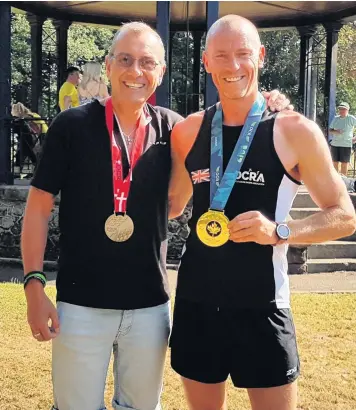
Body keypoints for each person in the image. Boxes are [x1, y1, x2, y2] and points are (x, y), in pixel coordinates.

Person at [22, 21, 292, 410]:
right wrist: (33, 284)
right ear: (109, 65)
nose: (136, 72)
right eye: (126, 60)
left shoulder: (176, 129)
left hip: (150, 307)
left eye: (147, 62)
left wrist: (263, 102)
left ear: (161, 72)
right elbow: (39, 206)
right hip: (80, 306)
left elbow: (189, 187)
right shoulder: (72, 126)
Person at [168, 15, 356, 410]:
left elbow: (344, 216)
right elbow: (173, 205)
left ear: (262, 56)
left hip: (263, 305)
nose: (232, 66)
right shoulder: (188, 131)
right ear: (206, 62)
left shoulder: (294, 130)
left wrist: (280, 231)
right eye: (221, 55)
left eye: (243, 54)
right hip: (196, 303)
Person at [11, 102, 48, 175]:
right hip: (34, 137)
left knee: (26, 156)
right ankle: (32, 172)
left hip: (31, 138)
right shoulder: (31, 115)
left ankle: (17, 172)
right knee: (29, 155)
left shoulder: (24, 118)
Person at [329, 102, 356, 175]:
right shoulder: (336, 118)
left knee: (344, 164)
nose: (341, 111)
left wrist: (355, 138)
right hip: (335, 144)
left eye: (343, 109)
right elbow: (330, 130)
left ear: (348, 110)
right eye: (340, 109)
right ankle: (336, 182)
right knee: (334, 163)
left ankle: (344, 182)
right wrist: (336, 131)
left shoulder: (351, 118)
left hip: (346, 145)